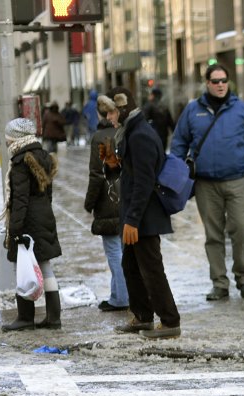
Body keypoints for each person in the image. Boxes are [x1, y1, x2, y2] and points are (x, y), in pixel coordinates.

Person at [171, 64, 244, 301]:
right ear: (207, 83)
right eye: (216, 81)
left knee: (241, 231)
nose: (221, 84)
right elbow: (179, 142)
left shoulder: (241, 109)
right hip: (206, 184)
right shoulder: (193, 110)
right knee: (213, 235)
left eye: (224, 80)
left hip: (238, 181)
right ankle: (219, 284)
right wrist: (177, 170)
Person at [109, 87, 182, 340]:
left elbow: (144, 182)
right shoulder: (131, 131)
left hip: (144, 218)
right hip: (136, 215)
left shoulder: (140, 135)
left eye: (111, 112)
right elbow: (134, 174)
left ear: (123, 109)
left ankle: (170, 321)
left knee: (151, 268)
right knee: (130, 266)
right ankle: (142, 317)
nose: (108, 117)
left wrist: (132, 220)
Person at [0, 118, 63, 332]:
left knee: (23, 268)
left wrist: (15, 230)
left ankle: (25, 317)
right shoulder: (43, 156)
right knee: (45, 267)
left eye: (8, 138)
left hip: (28, 221)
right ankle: (54, 318)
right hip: (44, 215)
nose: (7, 142)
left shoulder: (21, 161)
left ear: (16, 138)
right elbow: (49, 194)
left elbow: (20, 200)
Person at [84, 94, 129, 313]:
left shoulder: (100, 137)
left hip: (108, 199)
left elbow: (97, 174)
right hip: (127, 197)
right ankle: (120, 294)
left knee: (113, 252)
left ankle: (121, 298)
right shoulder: (125, 131)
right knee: (125, 251)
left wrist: (89, 203)